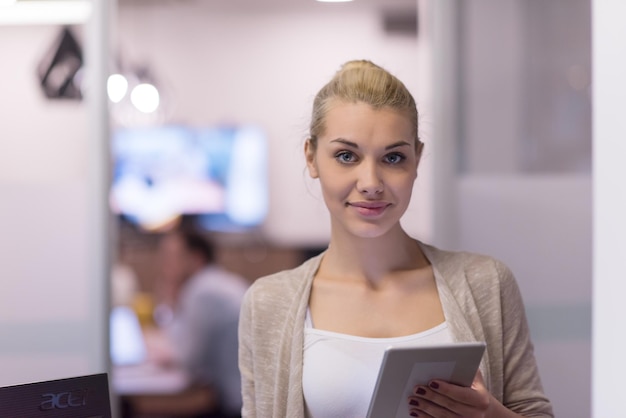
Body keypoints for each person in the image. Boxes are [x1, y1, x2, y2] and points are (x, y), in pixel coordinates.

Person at [237, 60, 553, 418]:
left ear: (416, 159)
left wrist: (488, 414)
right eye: (346, 156)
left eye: (393, 157)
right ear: (311, 157)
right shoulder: (267, 303)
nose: (371, 182)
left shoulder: (486, 283)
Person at [153, 227, 249, 418]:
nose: (165, 265)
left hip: (236, 404)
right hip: (246, 398)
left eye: (172, 256)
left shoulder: (202, 291)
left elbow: (188, 360)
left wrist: (171, 304)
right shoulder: (219, 281)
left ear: (196, 258)